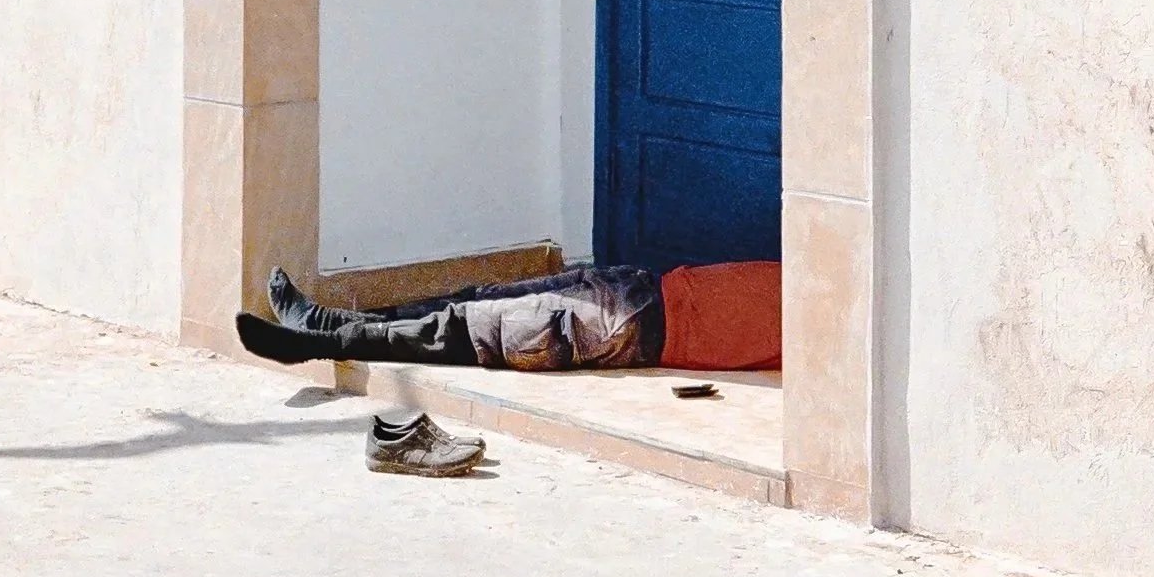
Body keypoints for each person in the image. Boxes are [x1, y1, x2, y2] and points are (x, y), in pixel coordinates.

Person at [235, 259, 781, 375]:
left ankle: (322, 342)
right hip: (641, 282)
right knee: (476, 299)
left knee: (463, 331)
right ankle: (322, 321)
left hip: (632, 326)